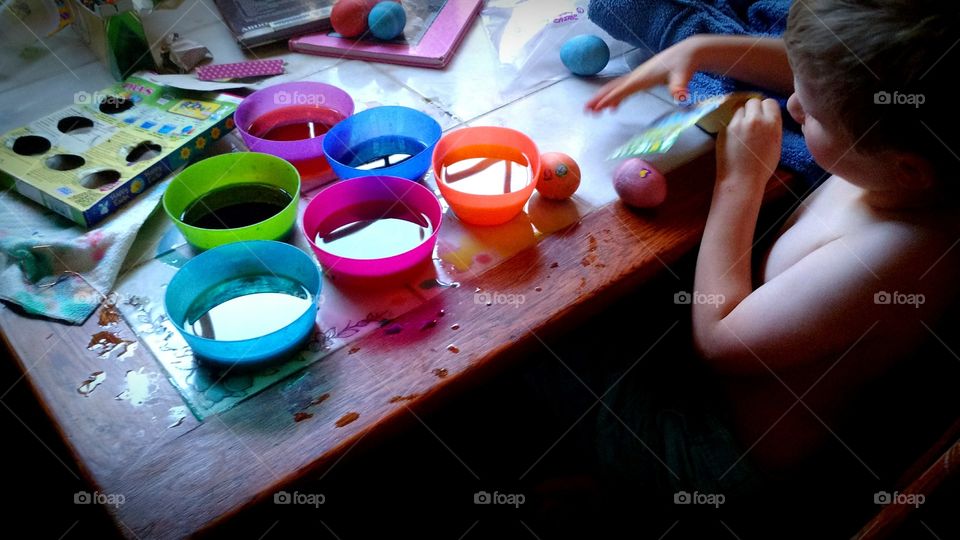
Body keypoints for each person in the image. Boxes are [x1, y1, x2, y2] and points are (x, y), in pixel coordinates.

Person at [585, 0, 960, 486]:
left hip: (713, 450)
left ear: (908, 169)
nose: (795, 106)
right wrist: (705, 48)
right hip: (715, 382)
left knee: (551, 355)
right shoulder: (900, 156)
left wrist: (740, 180)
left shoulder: (893, 256)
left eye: (815, 113)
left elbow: (719, 340)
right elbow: (835, 81)